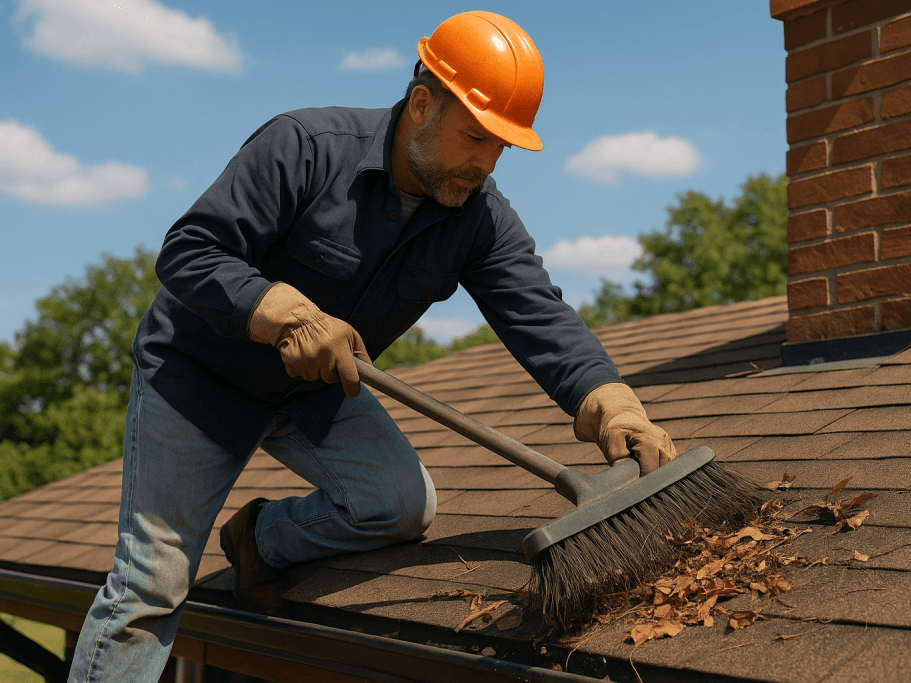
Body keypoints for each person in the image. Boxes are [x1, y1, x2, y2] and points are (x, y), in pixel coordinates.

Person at [68, 11, 676, 682]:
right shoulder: (304, 145)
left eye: (501, 146)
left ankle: (259, 538)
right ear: (422, 103)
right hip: (198, 378)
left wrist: (611, 400)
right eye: (475, 136)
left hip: (313, 391)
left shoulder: (476, 216)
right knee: (150, 590)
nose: (485, 161)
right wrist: (282, 311)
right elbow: (188, 251)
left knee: (401, 503)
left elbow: (539, 312)